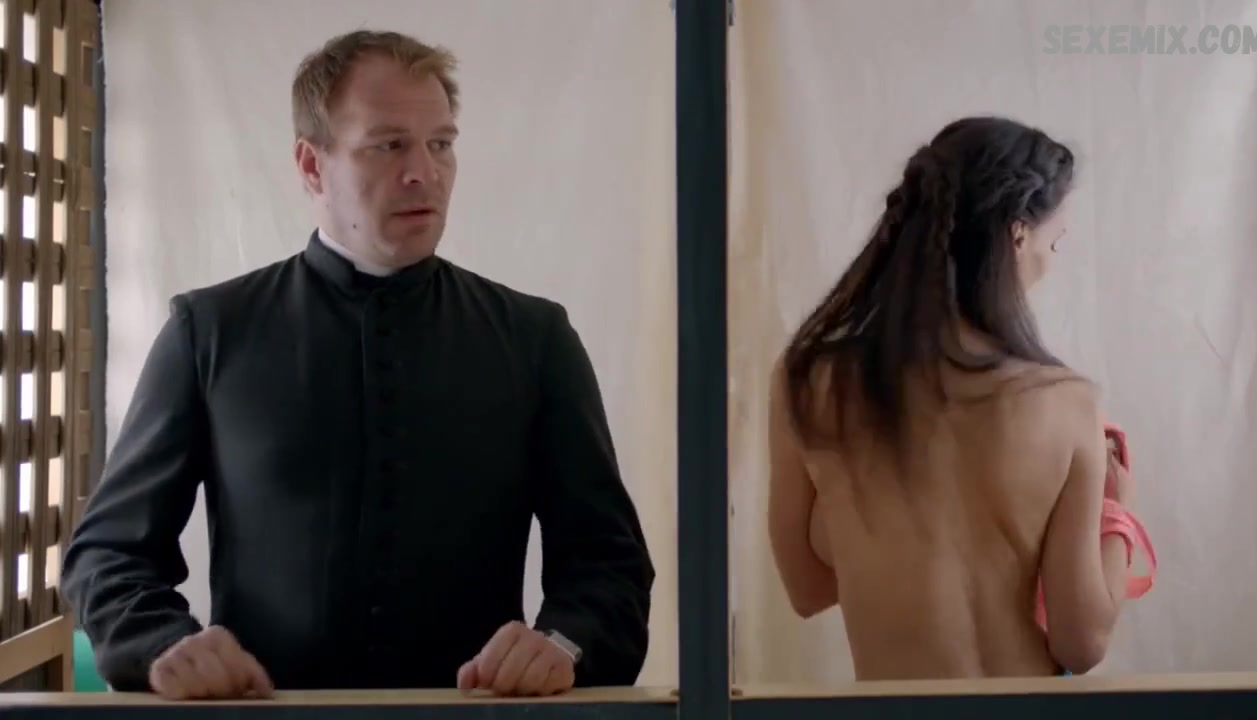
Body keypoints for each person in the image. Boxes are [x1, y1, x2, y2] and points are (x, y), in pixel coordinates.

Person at [61, 30, 655, 700]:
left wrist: (562, 643)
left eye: (441, 143)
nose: (424, 172)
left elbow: (610, 566)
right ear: (311, 164)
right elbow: (109, 553)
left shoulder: (534, 338)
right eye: (389, 145)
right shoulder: (209, 332)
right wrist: (162, 643)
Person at [767, 116, 1135, 680]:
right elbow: (1081, 642)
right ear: (1017, 236)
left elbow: (807, 589)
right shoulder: (1066, 403)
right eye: (1054, 242)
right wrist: (1115, 514)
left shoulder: (810, 381)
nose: (1051, 262)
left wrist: (861, 524)